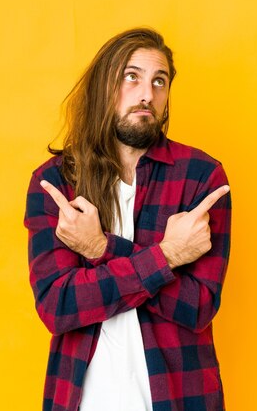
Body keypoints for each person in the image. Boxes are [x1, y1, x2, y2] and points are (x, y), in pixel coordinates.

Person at [24, 27, 232, 411]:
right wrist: (167, 257)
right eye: (131, 77)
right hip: (83, 400)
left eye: (159, 81)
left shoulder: (201, 178)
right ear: (104, 85)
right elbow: (59, 305)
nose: (146, 95)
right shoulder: (56, 182)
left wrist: (101, 248)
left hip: (180, 399)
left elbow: (198, 306)